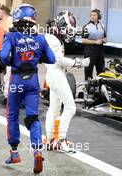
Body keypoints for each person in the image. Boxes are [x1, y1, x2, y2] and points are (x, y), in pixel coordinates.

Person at [0, 4, 56, 174]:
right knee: (32, 117)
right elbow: (52, 59)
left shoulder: (11, 36)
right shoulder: (40, 38)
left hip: (17, 80)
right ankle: (38, 150)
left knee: (13, 115)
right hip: (33, 81)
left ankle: (14, 153)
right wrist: (39, 57)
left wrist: (10, 61)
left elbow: (3, 57)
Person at [44, 11, 90, 152]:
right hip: (56, 74)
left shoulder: (52, 37)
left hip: (53, 74)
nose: (70, 33)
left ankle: (51, 140)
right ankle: (61, 140)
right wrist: (79, 63)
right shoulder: (53, 39)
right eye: (69, 30)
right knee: (70, 108)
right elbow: (59, 60)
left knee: (54, 109)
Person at [82, 9, 106, 80]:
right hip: (90, 52)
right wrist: (95, 42)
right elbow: (83, 40)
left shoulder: (102, 25)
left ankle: (101, 88)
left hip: (100, 52)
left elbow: (105, 38)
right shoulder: (87, 27)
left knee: (101, 72)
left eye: (94, 15)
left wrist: (103, 40)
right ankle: (89, 89)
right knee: (88, 72)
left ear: (98, 16)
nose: (92, 17)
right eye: (91, 15)